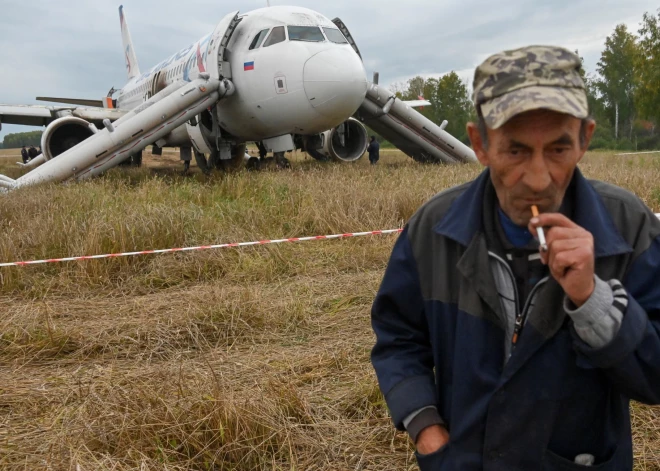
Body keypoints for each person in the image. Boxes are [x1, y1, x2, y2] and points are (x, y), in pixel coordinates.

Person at [371, 45, 660, 470]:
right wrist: (427, 431)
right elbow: (398, 339)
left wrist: (593, 299)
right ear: (479, 144)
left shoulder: (628, 227)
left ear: (585, 140)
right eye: (516, 151)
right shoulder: (434, 229)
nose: (538, 179)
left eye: (558, 150)